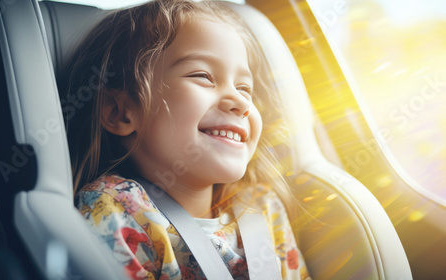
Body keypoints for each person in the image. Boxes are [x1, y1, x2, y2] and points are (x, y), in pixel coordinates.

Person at [61, 0, 310, 279]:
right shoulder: (114, 209)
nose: (240, 102)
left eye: (244, 88)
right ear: (120, 112)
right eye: (203, 76)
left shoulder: (263, 206)